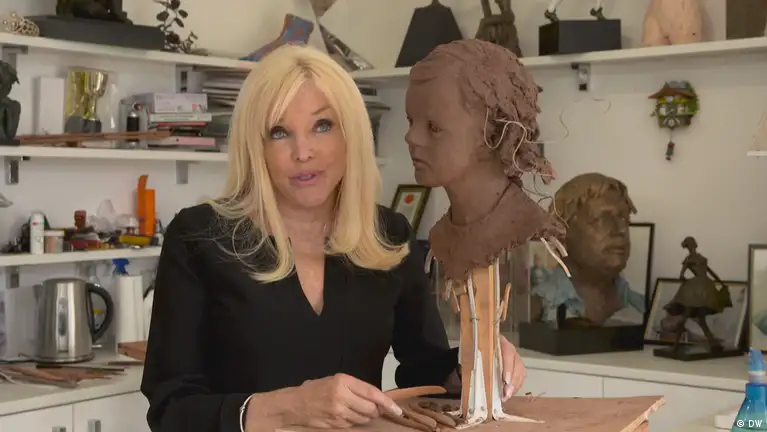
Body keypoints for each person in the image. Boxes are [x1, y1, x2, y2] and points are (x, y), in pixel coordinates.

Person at [140, 43, 526, 432]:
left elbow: (424, 367)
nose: (303, 152)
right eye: (279, 132)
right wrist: (288, 407)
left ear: (350, 134)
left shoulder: (389, 235)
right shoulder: (198, 238)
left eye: (322, 126)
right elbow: (171, 410)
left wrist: (473, 366)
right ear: (255, 147)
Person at [531, 173, 645, 325]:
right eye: (602, 219)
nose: (621, 229)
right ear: (562, 232)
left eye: (624, 218)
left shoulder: (646, 311)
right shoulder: (530, 308)